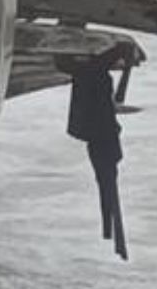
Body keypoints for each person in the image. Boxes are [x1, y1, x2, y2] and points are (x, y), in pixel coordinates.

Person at [56, 40, 138, 260]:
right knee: (107, 183)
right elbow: (101, 64)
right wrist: (123, 57)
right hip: (99, 134)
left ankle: (111, 233)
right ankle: (111, 234)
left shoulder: (93, 76)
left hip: (98, 134)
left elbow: (95, 66)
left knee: (107, 182)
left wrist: (123, 57)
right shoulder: (94, 75)